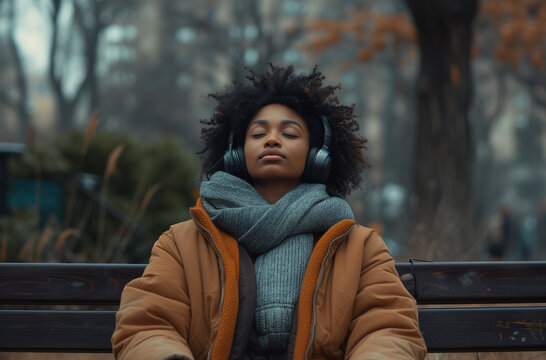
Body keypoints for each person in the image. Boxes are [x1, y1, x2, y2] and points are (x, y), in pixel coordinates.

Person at [112, 64, 426, 359]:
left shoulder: (360, 247)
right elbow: (148, 322)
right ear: (236, 153)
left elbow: (388, 326)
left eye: (289, 134)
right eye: (258, 134)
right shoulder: (181, 244)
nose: (272, 140)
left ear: (318, 155)